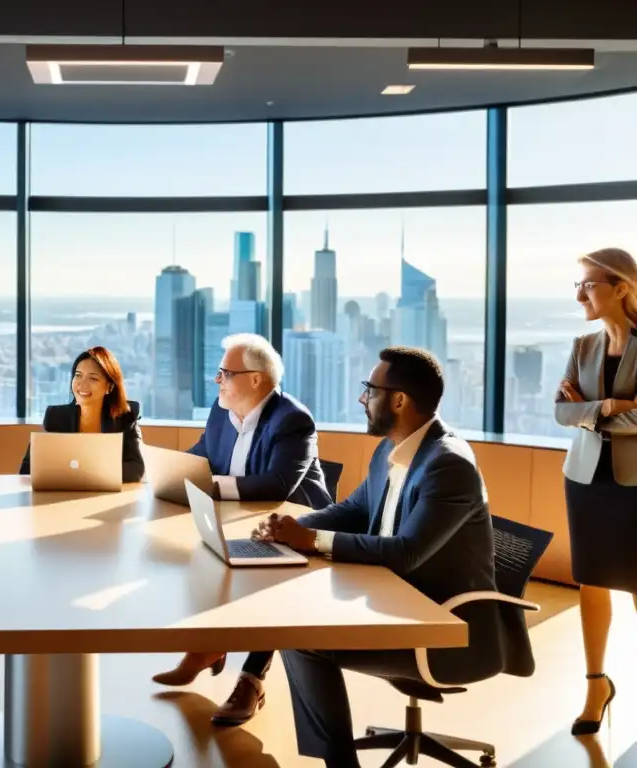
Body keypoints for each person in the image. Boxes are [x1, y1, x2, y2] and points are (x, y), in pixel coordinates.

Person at [255, 346, 506, 768]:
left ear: (399, 400)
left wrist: (311, 540)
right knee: (291, 620)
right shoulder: (392, 451)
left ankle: (339, 764)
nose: (361, 399)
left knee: (299, 638)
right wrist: (286, 526)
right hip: (390, 602)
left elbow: (406, 553)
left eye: (369, 390)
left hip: (443, 628)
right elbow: (352, 510)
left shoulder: (449, 464)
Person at [151, 333, 332, 726]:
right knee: (198, 557)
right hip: (242, 520)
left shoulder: (293, 420)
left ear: (256, 379)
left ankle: (251, 679)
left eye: (225, 373)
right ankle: (206, 648)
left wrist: (210, 485)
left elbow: (277, 483)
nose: (216, 380)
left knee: (268, 581)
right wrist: (174, 473)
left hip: (299, 531)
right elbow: (203, 456)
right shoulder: (221, 412)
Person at [555, 247, 637, 735]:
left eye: (589, 284)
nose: (580, 293)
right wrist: (609, 405)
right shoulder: (583, 345)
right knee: (592, 582)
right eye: (578, 284)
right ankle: (595, 686)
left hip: (635, 482)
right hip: (585, 478)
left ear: (621, 288)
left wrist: (589, 411)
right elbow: (561, 412)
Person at [19, 346, 144, 482]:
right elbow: (27, 469)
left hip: (108, 497)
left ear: (109, 387)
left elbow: (136, 469)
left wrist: (86, 473)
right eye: (78, 375)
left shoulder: (125, 416)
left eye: (93, 378)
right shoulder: (56, 417)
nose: (82, 384)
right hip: (64, 496)